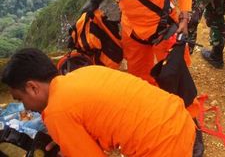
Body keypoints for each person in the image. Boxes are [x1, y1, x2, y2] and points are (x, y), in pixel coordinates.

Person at [1, 48, 196, 156]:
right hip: (182, 121)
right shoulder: (84, 72)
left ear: (32, 87)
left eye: (21, 99)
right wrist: (68, 137)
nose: (25, 107)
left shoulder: (56, 112)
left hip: (166, 149)